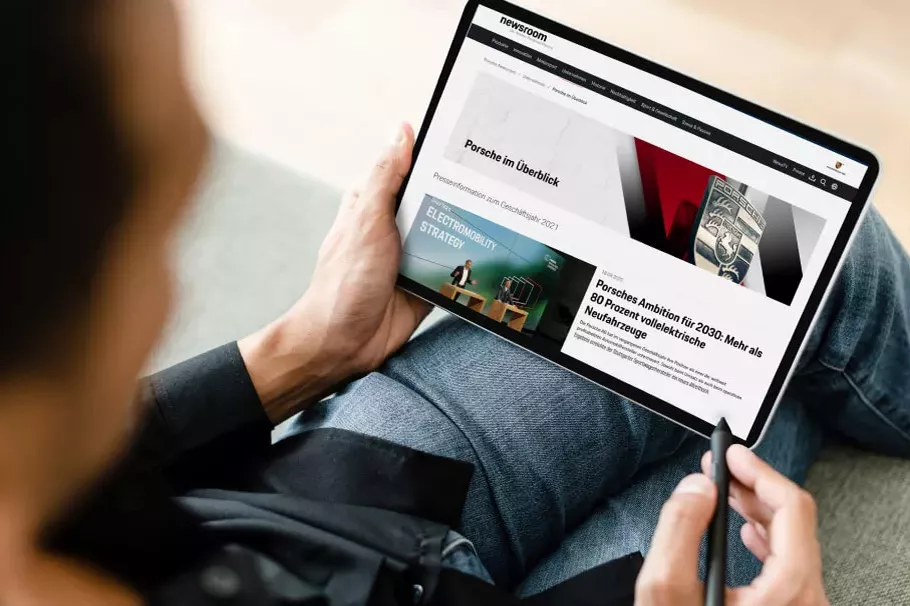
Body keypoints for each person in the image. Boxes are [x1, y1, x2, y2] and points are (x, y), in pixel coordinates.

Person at [2, 1, 909, 604]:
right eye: (162, 227)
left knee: (786, 256)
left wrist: (304, 351)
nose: (173, 294)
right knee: (759, 400)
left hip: (335, 511)